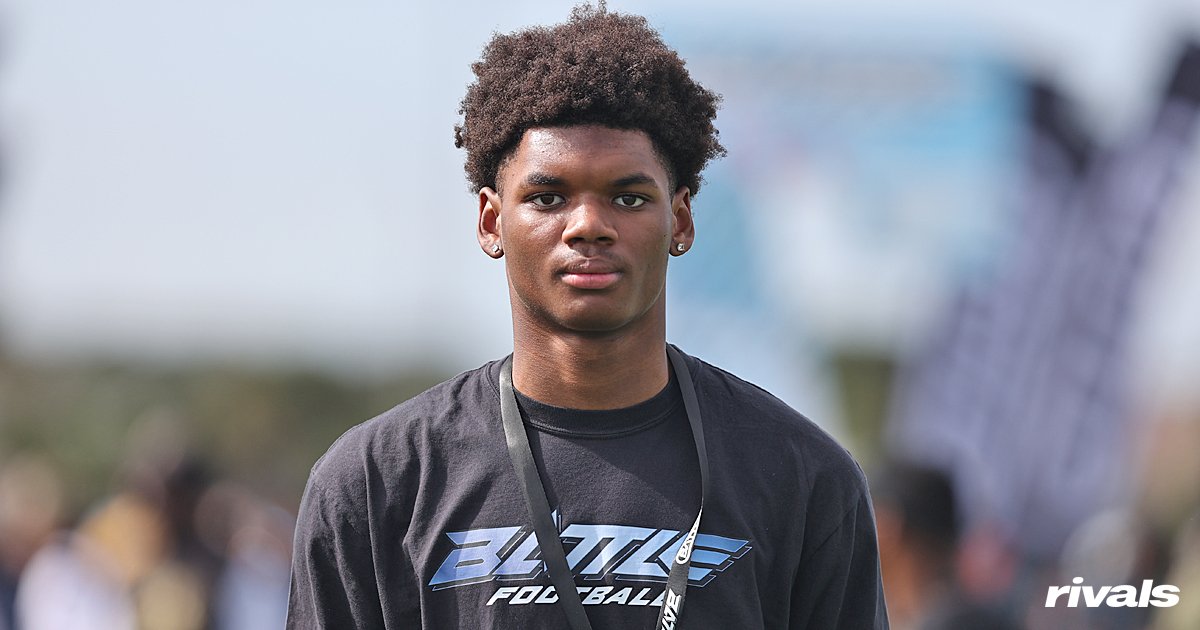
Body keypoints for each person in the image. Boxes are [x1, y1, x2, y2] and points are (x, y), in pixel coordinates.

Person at [286, 4, 888, 628]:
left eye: (628, 197)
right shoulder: (377, 481)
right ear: (492, 221)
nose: (589, 226)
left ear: (680, 220)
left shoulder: (804, 476)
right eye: (548, 197)